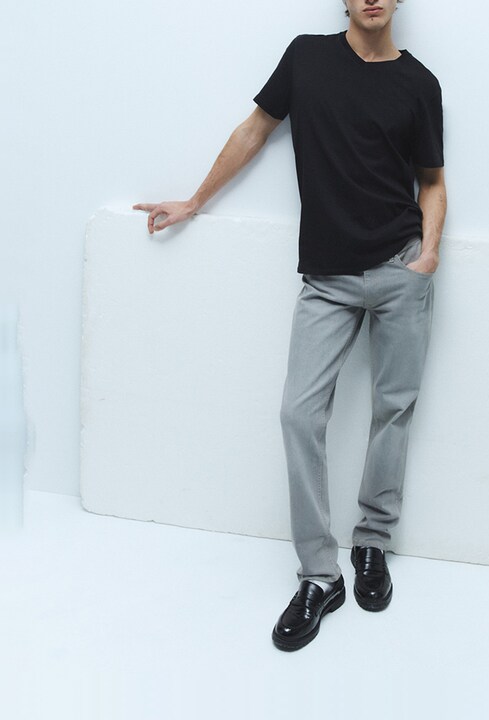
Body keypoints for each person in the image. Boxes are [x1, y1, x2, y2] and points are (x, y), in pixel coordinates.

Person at [134, 0, 447, 653]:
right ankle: (319, 575)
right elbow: (255, 129)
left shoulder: (419, 83)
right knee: (299, 415)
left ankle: (372, 544)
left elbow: (433, 181)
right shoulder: (307, 57)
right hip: (326, 279)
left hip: (401, 269)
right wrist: (194, 200)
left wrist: (428, 257)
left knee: (393, 410)